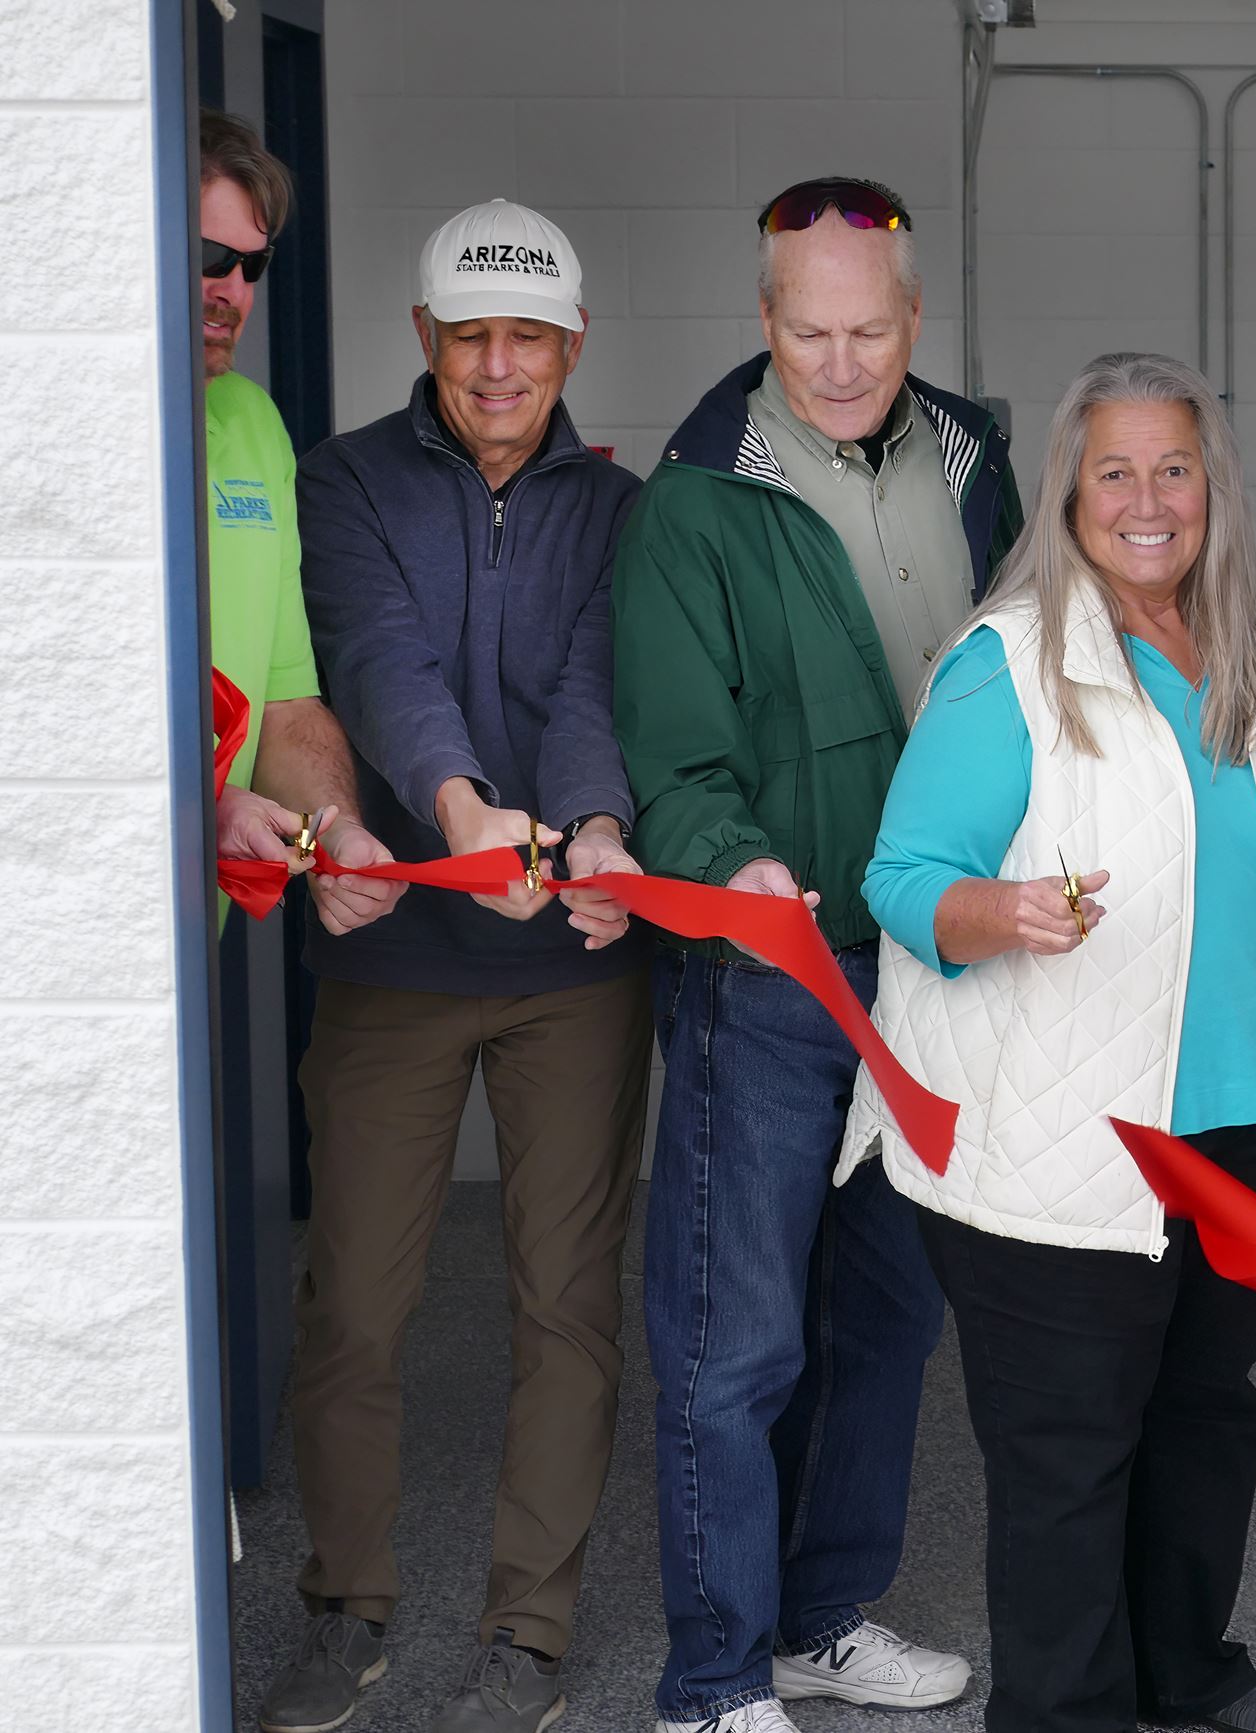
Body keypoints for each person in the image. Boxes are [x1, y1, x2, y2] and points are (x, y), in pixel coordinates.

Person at [847, 350, 1256, 1733]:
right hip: (1059, 1141)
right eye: (1114, 472)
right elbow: (900, 880)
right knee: (1067, 1454)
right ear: (1070, 499)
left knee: (1207, 1414)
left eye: (1175, 468)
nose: (1148, 499)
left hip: (1246, 1127)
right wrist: (1000, 909)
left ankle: (1183, 1674)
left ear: (1214, 489)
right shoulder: (1007, 664)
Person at [612, 175, 1021, 1733]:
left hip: (935, 961)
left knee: (889, 1315)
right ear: (762, 320)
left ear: (913, 322)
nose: (840, 359)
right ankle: (711, 1680)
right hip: (774, 968)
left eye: (868, 330)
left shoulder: (977, 460)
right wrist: (735, 865)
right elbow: (672, 751)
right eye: (809, 330)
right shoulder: (697, 497)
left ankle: (820, 1617)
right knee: (737, 1335)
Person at [252, 200, 653, 1733]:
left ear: (572, 347)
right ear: (424, 337)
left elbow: (593, 686)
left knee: (567, 1305)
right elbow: (373, 656)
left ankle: (527, 1632)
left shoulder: (618, 511)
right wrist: (461, 813)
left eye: (528, 339)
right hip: (396, 954)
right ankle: (343, 1605)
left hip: (573, 966)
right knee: (355, 1298)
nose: (499, 366)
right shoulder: (343, 479)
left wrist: (597, 821)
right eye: (470, 335)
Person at [197, 107, 401, 935]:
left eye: (253, 264)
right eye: (210, 257)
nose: (232, 290)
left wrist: (337, 828)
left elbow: (283, 701)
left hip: (188, 929)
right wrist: (199, 805)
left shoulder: (253, 422)